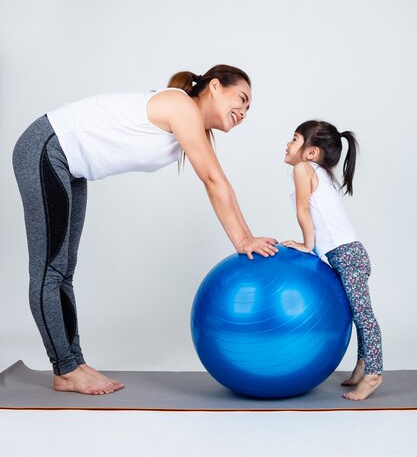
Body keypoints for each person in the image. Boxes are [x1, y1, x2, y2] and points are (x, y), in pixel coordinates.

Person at [13, 64, 278, 396]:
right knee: (50, 269)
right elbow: (214, 181)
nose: (243, 111)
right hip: (47, 146)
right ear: (213, 87)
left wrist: (246, 236)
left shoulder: (193, 126)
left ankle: (74, 363)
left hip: (72, 165)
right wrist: (243, 239)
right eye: (241, 98)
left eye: (249, 108)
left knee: (64, 270)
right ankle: (65, 370)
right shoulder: (181, 106)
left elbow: (219, 181)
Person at [281, 120, 382, 401]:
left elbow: (304, 211)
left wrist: (306, 245)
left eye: (294, 138)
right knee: (355, 312)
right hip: (347, 253)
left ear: (311, 152)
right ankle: (362, 365)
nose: (287, 144)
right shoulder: (319, 172)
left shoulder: (303, 169)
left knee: (363, 316)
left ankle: (373, 373)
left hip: (347, 255)